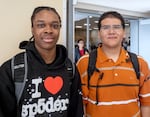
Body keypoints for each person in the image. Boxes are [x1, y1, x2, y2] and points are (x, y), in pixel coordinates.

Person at [0, 6, 83, 117]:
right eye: (41, 25)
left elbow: (75, 111)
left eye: (54, 25)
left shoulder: (70, 69)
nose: (48, 30)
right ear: (32, 28)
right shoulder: (12, 69)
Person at [77, 11, 150, 117]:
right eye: (106, 27)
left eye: (116, 27)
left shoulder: (140, 63)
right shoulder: (84, 63)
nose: (111, 31)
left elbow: (146, 104)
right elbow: (81, 105)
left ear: (124, 32)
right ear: (99, 33)